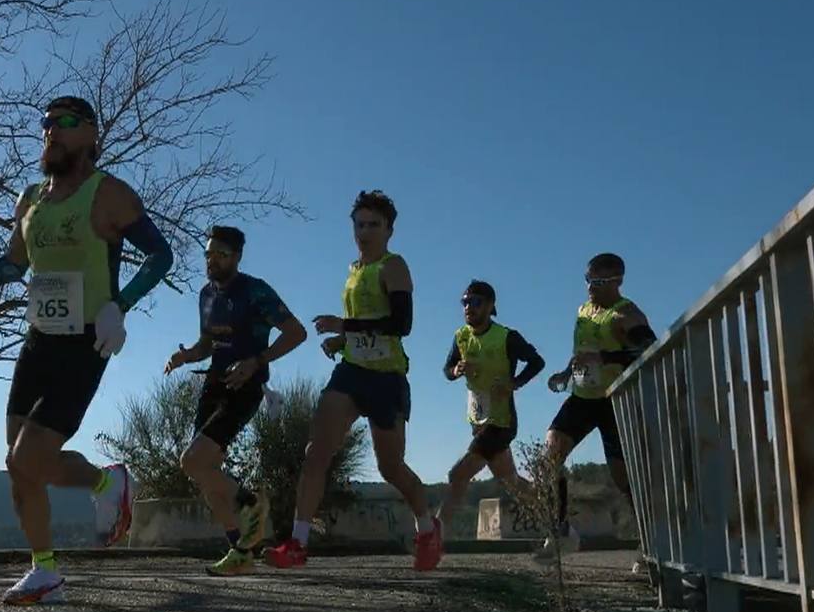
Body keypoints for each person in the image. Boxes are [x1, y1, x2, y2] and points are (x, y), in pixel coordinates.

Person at [0, 96, 174, 605]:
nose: (52, 132)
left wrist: (121, 304)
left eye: (66, 123)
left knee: (31, 457)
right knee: (17, 464)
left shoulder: (107, 193)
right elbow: (12, 268)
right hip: (40, 339)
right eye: (46, 124)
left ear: (91, 135)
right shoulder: (31, 200)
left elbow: (161, 255)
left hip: (86, 340)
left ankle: (105, 485)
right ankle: (44, 570)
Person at [263, 191, 440, 572]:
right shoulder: (354, 271)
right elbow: (365, 324)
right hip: (350, 372)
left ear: (389, 230)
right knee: (316, 453)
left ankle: (427, 528)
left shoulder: (394, 267)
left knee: (390, 468)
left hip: (387, 378)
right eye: (359, 224)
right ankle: (297, 543)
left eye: (373, 225)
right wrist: (342, 341)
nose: (364, 232)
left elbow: (400, 325)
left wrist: (345, 326)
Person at [165, 226, 306, 577]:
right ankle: (240, 549)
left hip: (245, 386)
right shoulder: (205, 295)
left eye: (221, 255)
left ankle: (251, 504)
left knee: (193, 461)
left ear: (237, 257)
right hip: (213, 386)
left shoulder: (255, 291)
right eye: (209, 254)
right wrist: (186, 356)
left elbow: (296, 332)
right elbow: (206, 344)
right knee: (203, 473)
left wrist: (257, 361)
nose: (212, 260)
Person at [540, 252, 656, 560]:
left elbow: (649, 349)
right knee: (551, 452)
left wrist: (605, 358)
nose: (591, 288)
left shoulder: (626, 314)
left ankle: (650, 544)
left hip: (613, 401)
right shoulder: (584, 311)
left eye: (599, 282)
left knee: (624, 478)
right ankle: (562, 531)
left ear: (617, 281)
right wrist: (567, 372)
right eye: (587, 280)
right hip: (581, 397)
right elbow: (583, 351)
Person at [435, 280, 544, 568]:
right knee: (513, 483)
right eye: (465, 302)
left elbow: (537, 361)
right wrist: (456, 370)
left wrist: (514, 383)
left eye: (476, 302)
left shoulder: (507, 337)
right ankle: (560, 520)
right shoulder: (461, 336)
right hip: (478, 421)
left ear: (491, 306)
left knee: (457, 474)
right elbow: (447, 369)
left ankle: (433, 539)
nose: (469, 308)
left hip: (502, 420)